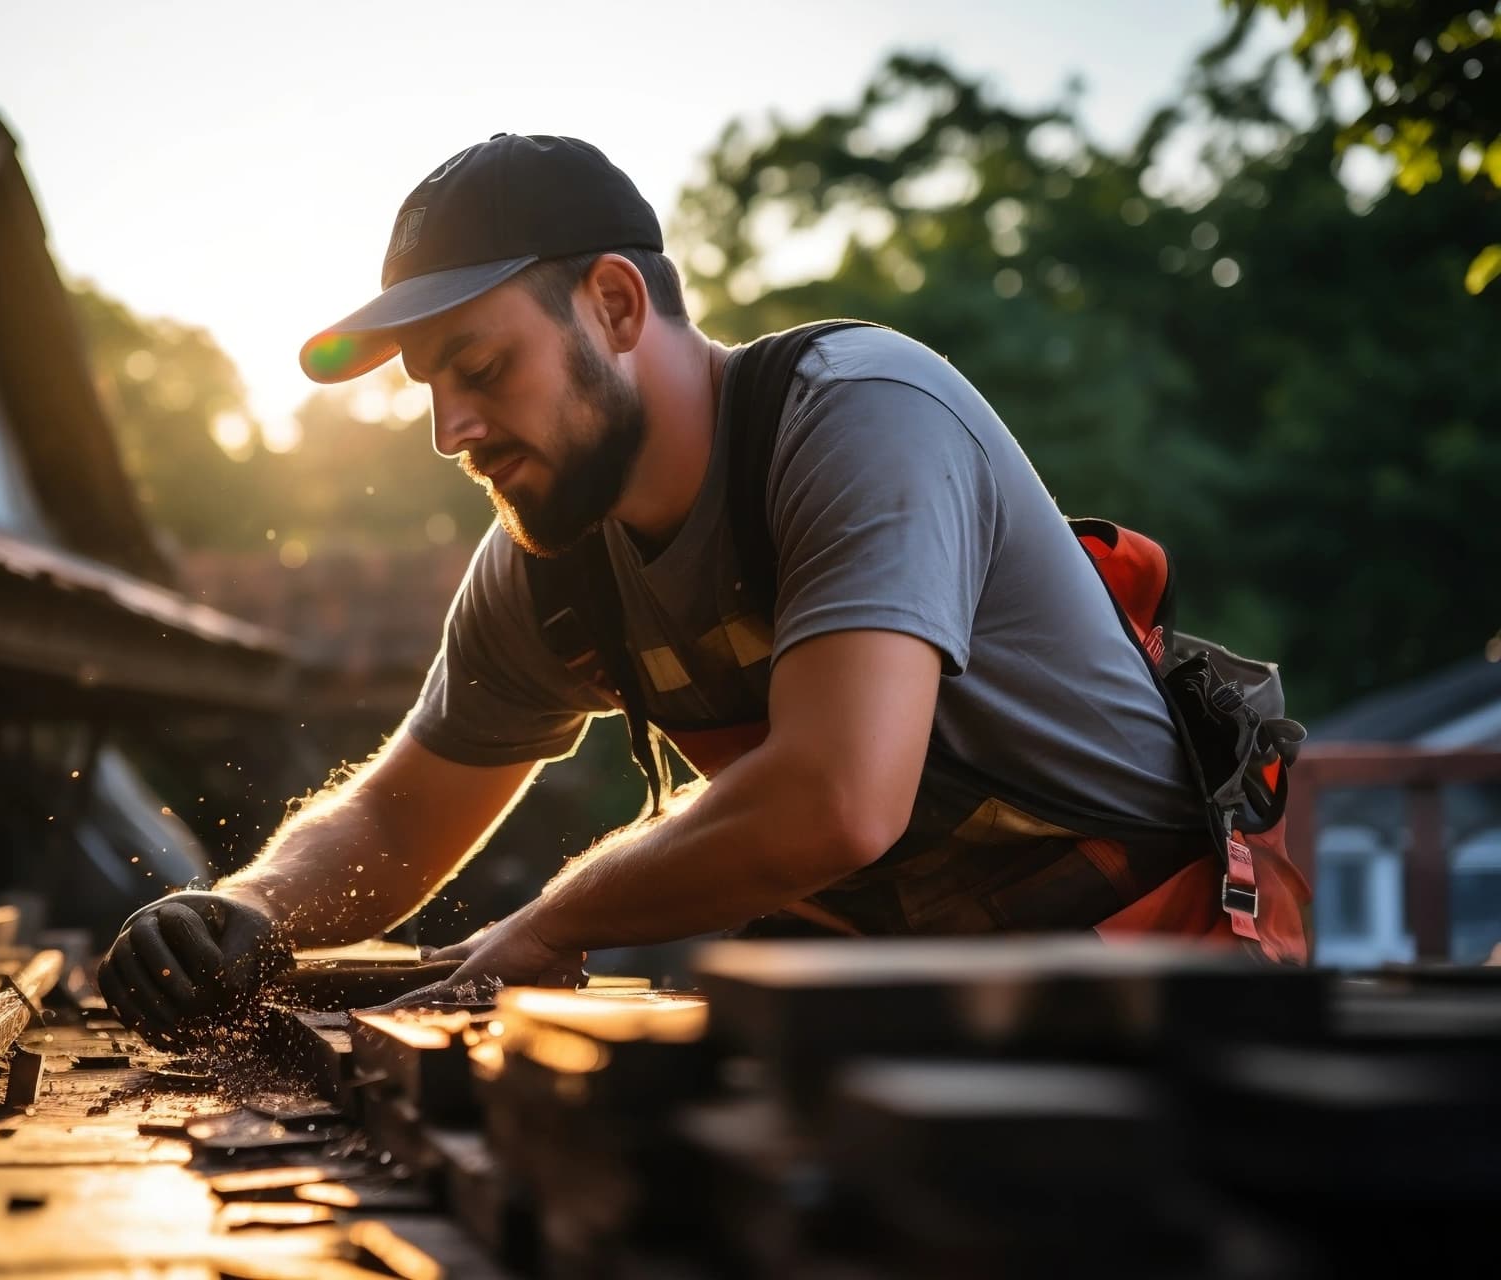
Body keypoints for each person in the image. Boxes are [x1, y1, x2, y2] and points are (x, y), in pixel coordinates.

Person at [97, 133, 1309, 1046]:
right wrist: (246, 912)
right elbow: (400, 818)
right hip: (911, 1033)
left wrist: (549, 921)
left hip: (1169, 1019)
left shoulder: (862, 416)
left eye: (481, 368)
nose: (450, 429)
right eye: (428, 386)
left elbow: (838, 799)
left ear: (618, 305)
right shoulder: (549, 564)